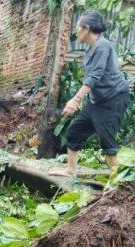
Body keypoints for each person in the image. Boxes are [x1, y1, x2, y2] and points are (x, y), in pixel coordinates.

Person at [50, 11, 132, 176]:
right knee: (74, 132)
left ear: (86, 28)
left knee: (107, 141)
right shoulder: (92, 49)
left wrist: (75, 99)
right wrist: (83, 99)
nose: (76, 31)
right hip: (97, 102)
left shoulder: (103, 45)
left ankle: (119, 185)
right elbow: (92, 79)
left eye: (78, 28)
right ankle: (71, 169)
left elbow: (95, 76)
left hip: (113, 99)